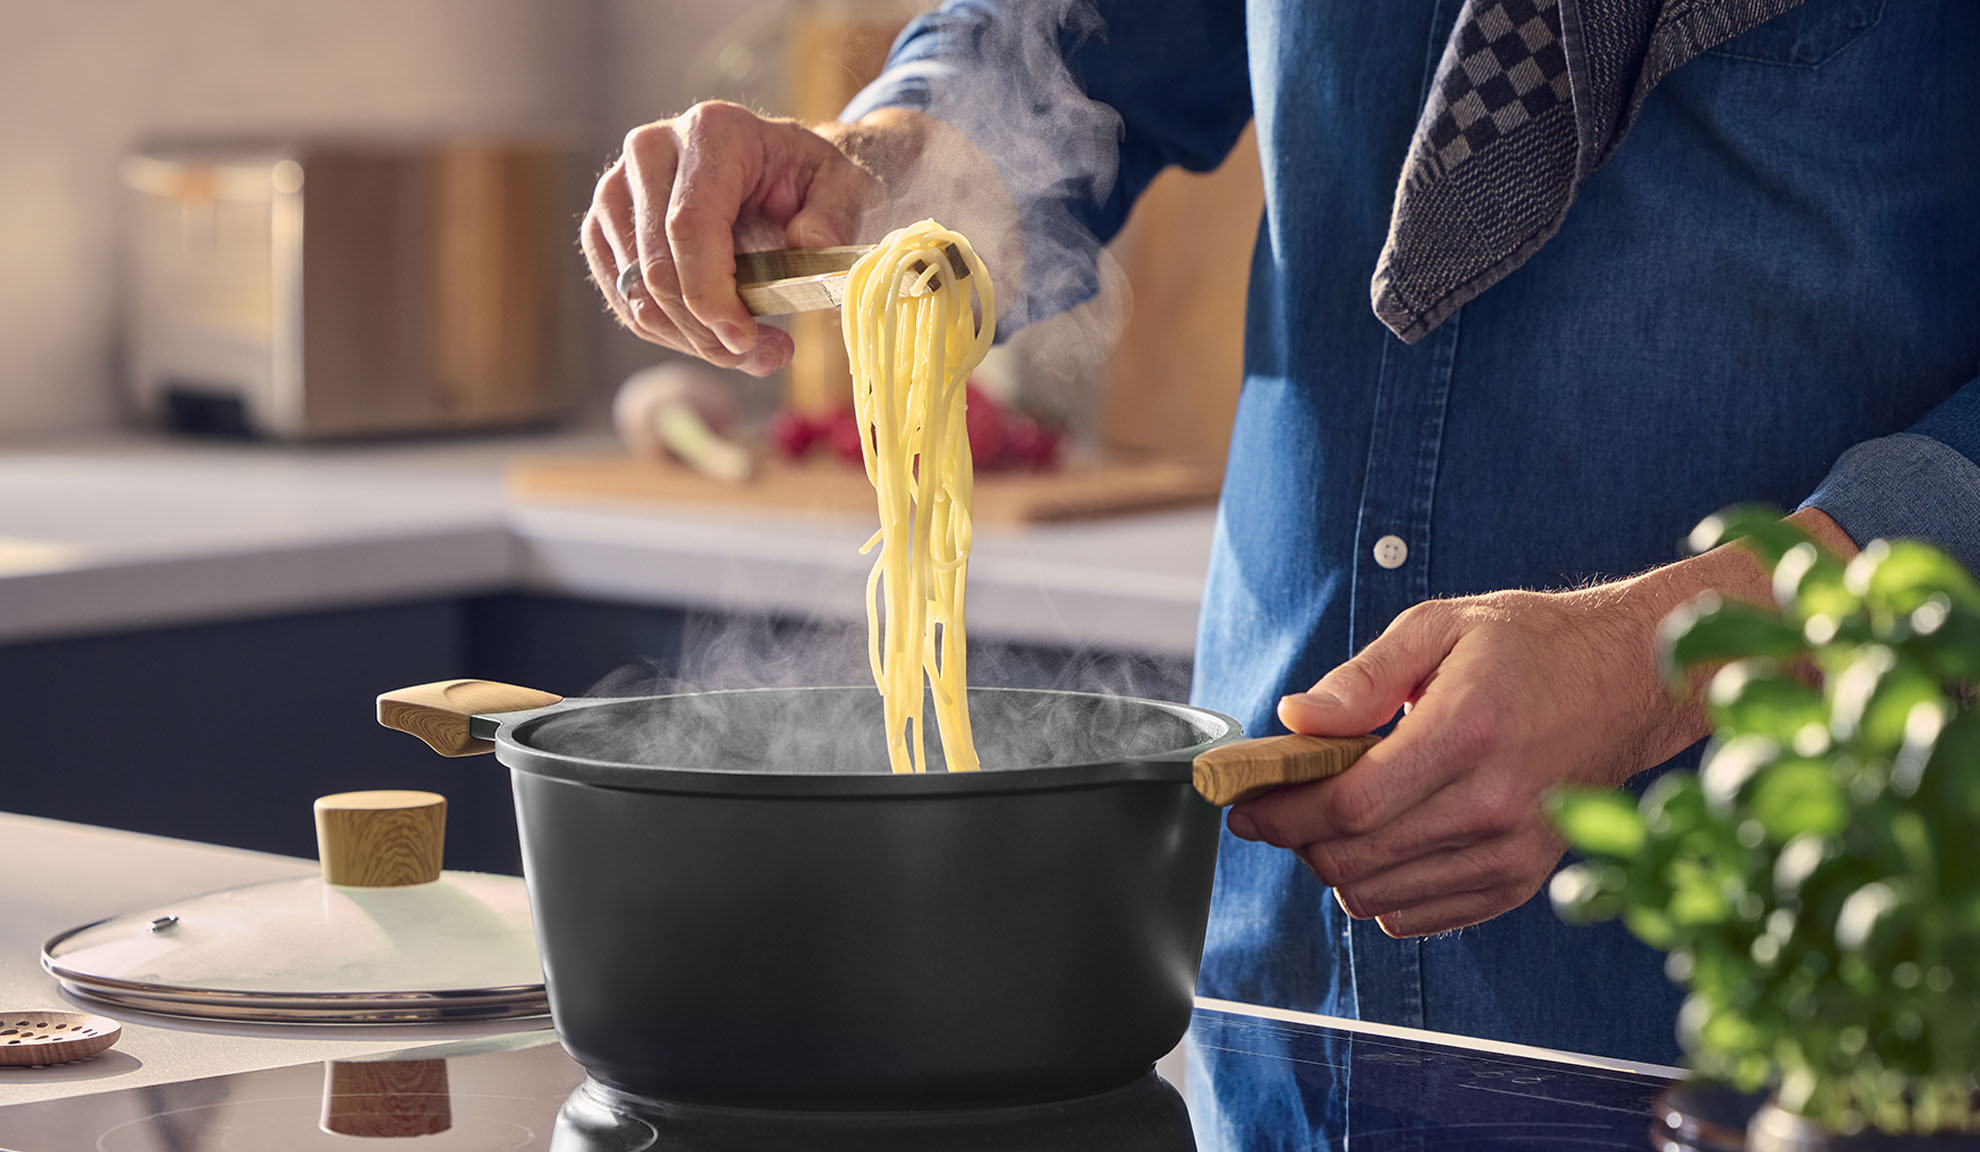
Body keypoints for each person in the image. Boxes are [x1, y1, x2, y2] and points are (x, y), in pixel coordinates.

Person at [583, 0, 1980, 1076]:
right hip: (1270, 983)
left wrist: (1666, 656)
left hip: (1799, 995)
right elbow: (1074, 49)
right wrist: (870, 181)